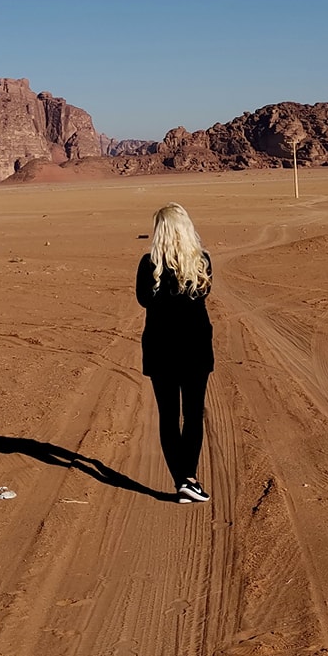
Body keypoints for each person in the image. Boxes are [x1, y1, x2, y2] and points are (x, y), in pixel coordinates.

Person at [136, 202, 214, 504]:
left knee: (168, 417)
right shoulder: (202, 261)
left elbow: (144, 300)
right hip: (195, 348)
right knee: (193, 415)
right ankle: (189, 479)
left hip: (160, 350)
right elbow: (205, 293)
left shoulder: (148, 265)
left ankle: (182, 480)